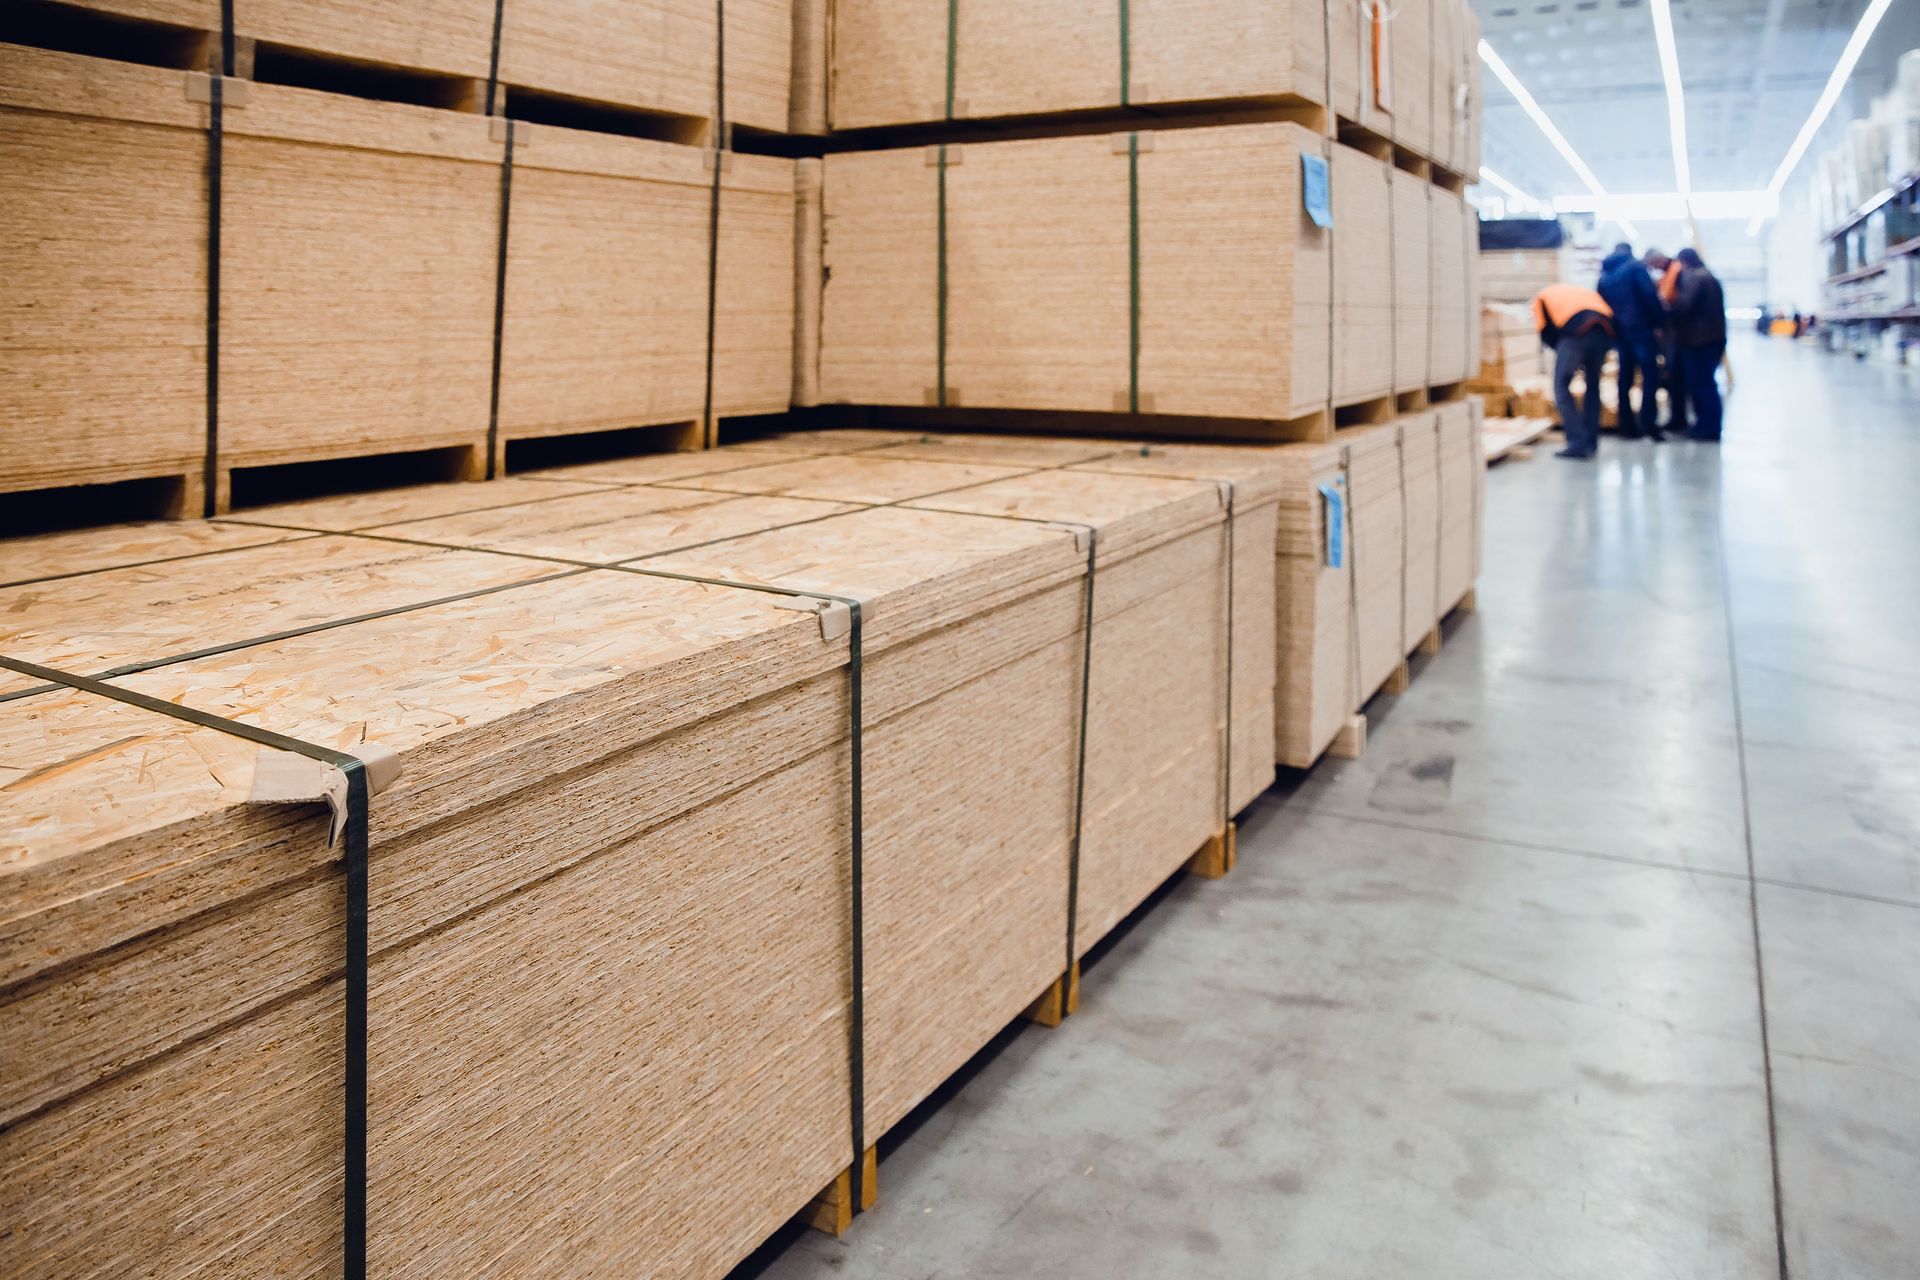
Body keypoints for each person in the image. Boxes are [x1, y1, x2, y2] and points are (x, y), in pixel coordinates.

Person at [1530, 283, 1616, 459]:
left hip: (1576, 333)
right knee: (1593, 386)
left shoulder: (1540, 297)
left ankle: (1577, 443)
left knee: (1560, 385)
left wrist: (1565, 356)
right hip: (1604, 332)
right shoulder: (1579, 291)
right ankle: (1590, 442)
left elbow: (1545, 332)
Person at [1596, 242, 1667, 441]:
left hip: (1619, 332)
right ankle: (1649, 424)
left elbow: (1602, 303)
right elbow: (1649, 297)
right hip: (1641, 330)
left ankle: (1626, 425)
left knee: (1625, 378)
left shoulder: (1605, 275)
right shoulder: (1636, 268)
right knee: (1649, 377)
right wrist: (1659, 323)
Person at [1669, 248, 1727, 442]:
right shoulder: (1707, 276)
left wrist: (1667, 307)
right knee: (1705, 383)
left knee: (1702, 385)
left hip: (1699, 340)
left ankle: (1707, 428)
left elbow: (1685, 305)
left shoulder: (1694, 277)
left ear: (1683, 262)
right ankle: (1705, 425)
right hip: (1710, 338)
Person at [1644, 249, 1685, 432]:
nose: (1655, 269)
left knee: (1676, 377)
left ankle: (1678, 419)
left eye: (1654, 265)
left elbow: (1677, 303)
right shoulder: (1670, 273)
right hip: (1673, 331)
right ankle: (1676, 418)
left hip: (1677, 333)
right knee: (1673, 376)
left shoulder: (1678, 271)